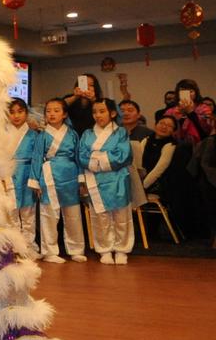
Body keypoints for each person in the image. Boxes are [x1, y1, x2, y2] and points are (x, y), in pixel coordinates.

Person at [78, 98, 133, 265]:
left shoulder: (121, 132)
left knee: (121, 216)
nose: (97, 115)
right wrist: (100, 159)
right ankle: (104, 249)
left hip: (117, 179)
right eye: (95, 112)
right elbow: (81, 155)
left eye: (102, 111)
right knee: (100, 217)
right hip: (94, 180)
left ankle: (122, 249)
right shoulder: (87, 134)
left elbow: (123, 155)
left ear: (113, 113)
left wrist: (95, 158)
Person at [35, 98, 85, 262]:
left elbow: (78, 156)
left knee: (73, 214)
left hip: (70, 175)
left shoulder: (72, 134)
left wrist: (81, 178)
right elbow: (36, 159)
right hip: (49, 175)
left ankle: (76, 249)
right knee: (49, 214)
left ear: (64, 114)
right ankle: (50, 251)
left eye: (56, 110)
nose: (52, 114)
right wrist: (35, 181)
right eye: (48, 111)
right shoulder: (42, 135)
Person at [7, 99, 42, 248]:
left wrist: (35, 180)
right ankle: (14, 245)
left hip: (27, 174)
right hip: (8, 174)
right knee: (11, 211)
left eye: (20, 112)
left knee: (28, 211)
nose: (16, 116)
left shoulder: (34, 134)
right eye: (12, 112)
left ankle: (28, 244)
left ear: (26, 113)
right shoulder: (3, 133)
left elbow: (38, 158)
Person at [130, 116, 176, 210]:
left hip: (158, 184)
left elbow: (159, 170)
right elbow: (138, 163)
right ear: (155, 125)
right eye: (162, 123)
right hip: (141, 179)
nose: (164, 127)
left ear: (173, 131)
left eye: (169, 126)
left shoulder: (170, 145)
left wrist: (142, 187)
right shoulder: (146, 140)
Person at [164, 79, 214, 147]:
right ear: (178, 94)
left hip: (200, 147)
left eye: (191, 91)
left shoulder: (204, 109)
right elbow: (166, 131)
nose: (188, 94)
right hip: (176, 147)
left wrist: (190, 112)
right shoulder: (170, 111)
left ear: (196, 93)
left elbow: (207, 131)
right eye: (183, 92)